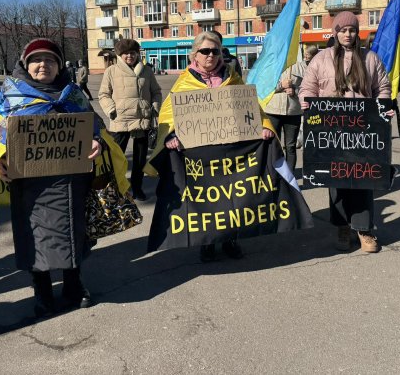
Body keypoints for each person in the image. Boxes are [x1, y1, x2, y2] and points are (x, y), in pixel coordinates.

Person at [0, 38, 102, 316]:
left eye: (50, 60)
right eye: (37, 60)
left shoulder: (73, 93)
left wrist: (96, 140)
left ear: (58, 65)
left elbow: (93, 122)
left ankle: (73, 285)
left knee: (72, 232)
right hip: (30, 184)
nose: (44, 65)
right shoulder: (10, 93)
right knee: (35, 235)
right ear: (26, 64)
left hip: (70, 181)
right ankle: (41, 289)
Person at [145, 31, 276, 262]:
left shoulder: (233, 77)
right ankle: (207, 243)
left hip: (230, 150)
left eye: (215, 51)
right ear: (194, 54)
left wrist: (264, 126)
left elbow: (251, 107)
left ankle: (230, 239)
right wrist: (170, 136)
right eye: (205, 51)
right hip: (199, 154)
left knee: (231, 197)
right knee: (207, 201)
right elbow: (169, 114)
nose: (210, 56)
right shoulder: (184, 82)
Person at [300, 11, 391, 254]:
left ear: (357, 32)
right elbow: (307, 88)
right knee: (337, 181)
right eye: (342, 30)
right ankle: (342, 227)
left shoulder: (370, 58)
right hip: (332, 130)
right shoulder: (321, 58)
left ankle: (363, 230)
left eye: (352, 30)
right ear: (335, 32)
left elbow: (382, 87)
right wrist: (308, 104)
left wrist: (383, 109)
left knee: (363, 179)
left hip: (363, 130)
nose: (347, 34)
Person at [98, 39, 161, 202]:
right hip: (121, 119)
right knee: (116, 157)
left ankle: (137, 188)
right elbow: (103, 94)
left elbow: (156, 91)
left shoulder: (147, 71)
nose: (129, 56)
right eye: (126, 53)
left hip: (142, 119)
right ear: (119, 55)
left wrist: (155, 106)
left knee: (140, 159)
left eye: (132, 53)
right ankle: (115, 189)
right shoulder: (111, 71)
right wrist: (111, 109)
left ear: (137, 54)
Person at [264, 45, 316, 171]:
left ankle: (290, 177)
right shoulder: (271, 67)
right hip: (273, 111)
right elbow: (264, 89)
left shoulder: (303, 67)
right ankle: (274, 174)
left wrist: (295, 91)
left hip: (293, 112)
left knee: (290, 146)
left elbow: (309, 89)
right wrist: (281, 86)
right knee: (273, 145)